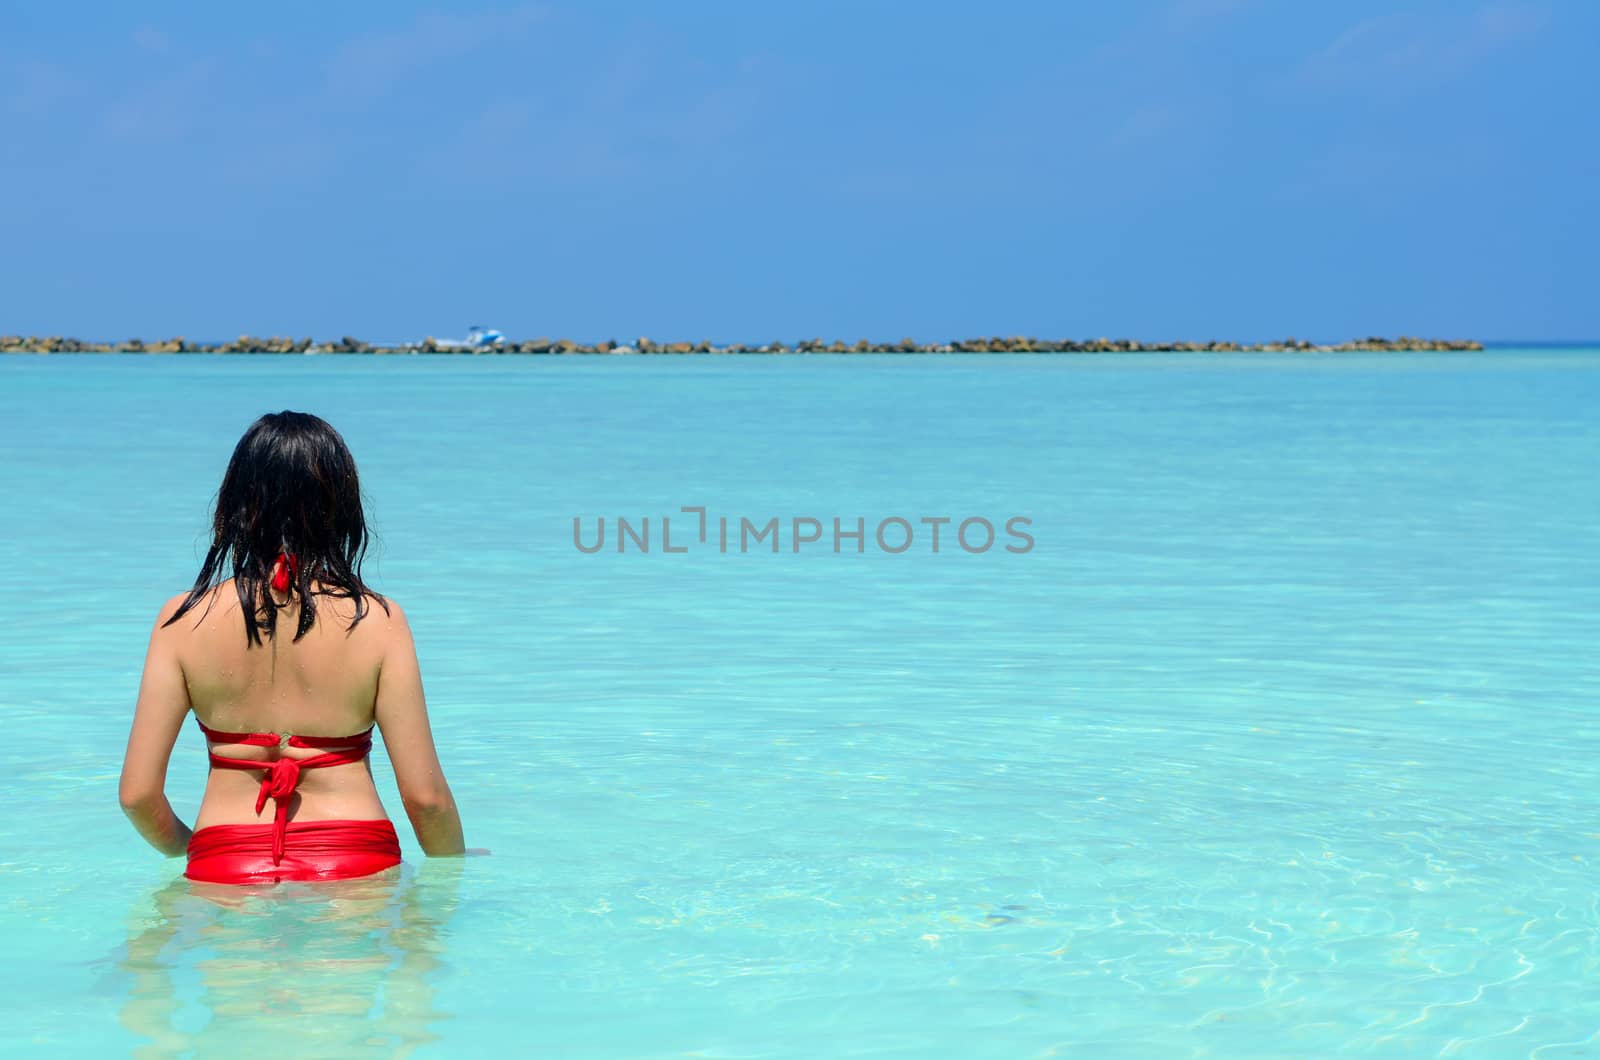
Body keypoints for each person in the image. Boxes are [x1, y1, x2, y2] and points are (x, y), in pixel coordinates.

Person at [119, 411, 465, 884]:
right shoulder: (379, 621)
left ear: (237, 504)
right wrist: (455, 876)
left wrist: (200, 849)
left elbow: (137, 796)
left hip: (227, 860)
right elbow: (427, 801)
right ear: (340, 507)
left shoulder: (182, 619)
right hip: (355, 860)